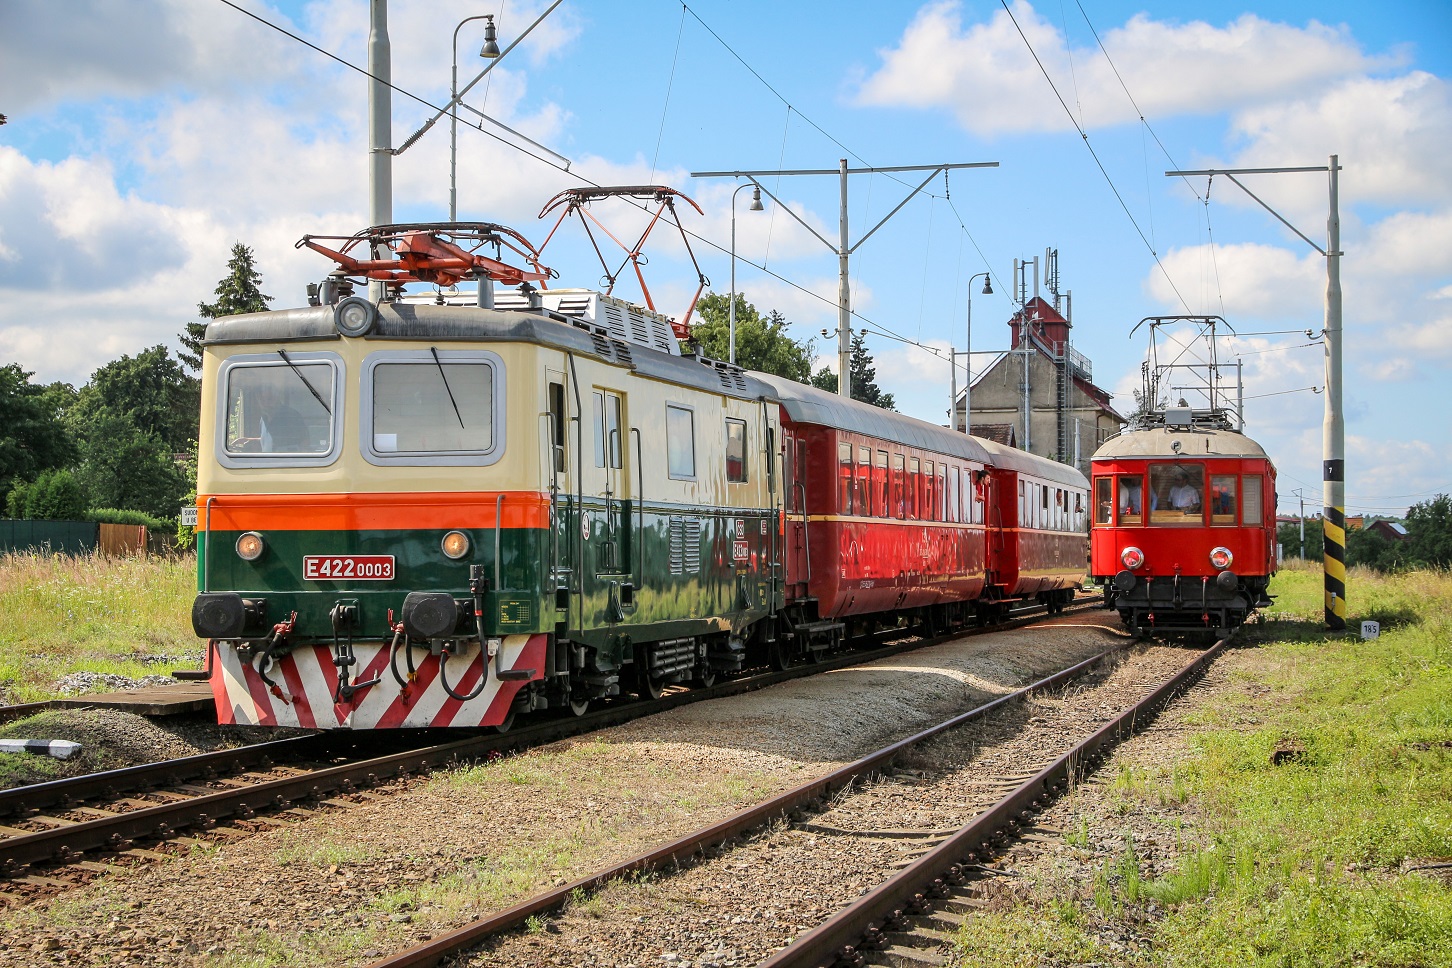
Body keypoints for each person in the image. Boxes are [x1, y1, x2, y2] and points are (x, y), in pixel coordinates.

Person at [230, 382, 308, 453]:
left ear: (277, 397)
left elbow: (304, 442)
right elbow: (270, 440)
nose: (266, 403)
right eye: (262, 400)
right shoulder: (264, 418)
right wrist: (249, 440)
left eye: (269, 399)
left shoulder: (290, 416)